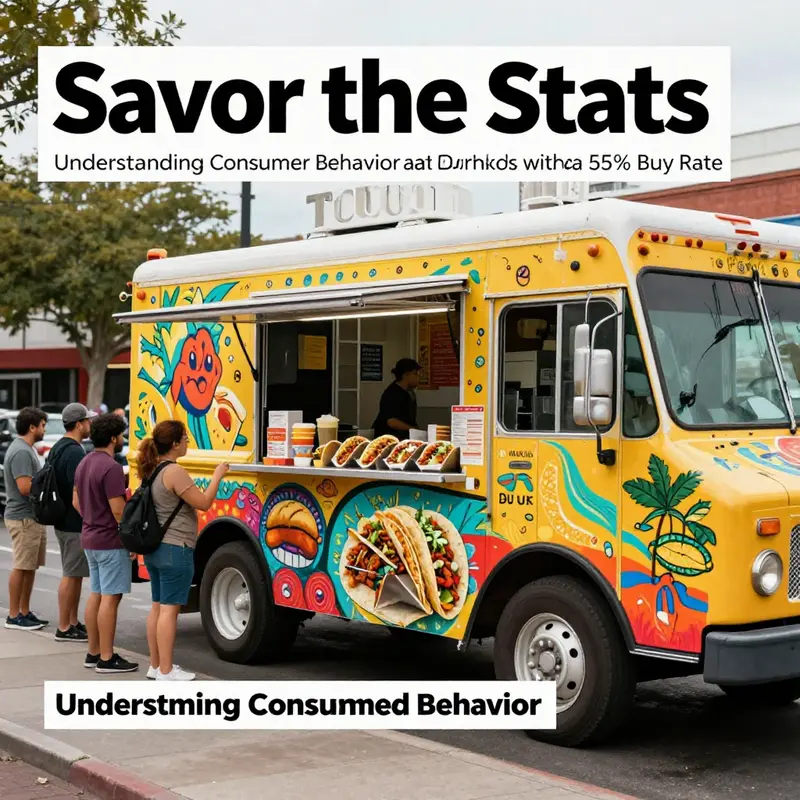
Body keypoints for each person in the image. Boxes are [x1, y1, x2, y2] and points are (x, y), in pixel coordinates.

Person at [137, 420, 229, 681]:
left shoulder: (153, 469)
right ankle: (166, 671)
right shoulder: (174, 472)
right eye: (185, 439)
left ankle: (156, 667)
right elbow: (203, 502)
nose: (188, 442)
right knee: (169, 610)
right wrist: (217, 477)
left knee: (157, 607)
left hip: (156, 549)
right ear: (175, 444)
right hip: (175, 549)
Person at [73, 413, 136, 673]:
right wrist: (130, 539)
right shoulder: (110, 467)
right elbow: (119, 510)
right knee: (111, 598)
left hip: (89, 537)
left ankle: (93, 651)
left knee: (96, 595)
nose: (122, 439)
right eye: (121, 435)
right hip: (110, 541)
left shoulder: (84, 462)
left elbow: (77, 502)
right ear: (113, 438)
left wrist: (92, 517)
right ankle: (107, 658)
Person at [50, 403, 96, 642]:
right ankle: (64, 626)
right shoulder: (74, 452)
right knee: (70, 574)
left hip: (62, 519)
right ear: (78, 424)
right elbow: (77, 491)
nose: (90, 425)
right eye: (87, 421)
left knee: (74, 574)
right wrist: (89, 518)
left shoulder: (58, 447)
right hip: (72, 522)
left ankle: (72, 621)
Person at [3, 407, 50, 631]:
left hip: (31, 517)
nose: (45, 429)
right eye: (42, 425)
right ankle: (14, 615)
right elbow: (24, 487)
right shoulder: (21, 451)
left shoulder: (26, 449)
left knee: (30, 566)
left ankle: (24, 611)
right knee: (22, 566)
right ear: (32, 427)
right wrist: (46, 485)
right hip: (22, 517)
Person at [372, 358, 421, 438]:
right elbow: (392, 421)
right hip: (389, 438)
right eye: (415, 374)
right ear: (406, 375)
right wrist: (414, 430)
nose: (418, 377)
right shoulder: (392, 393)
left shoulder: (408, 393)